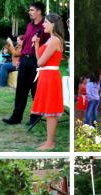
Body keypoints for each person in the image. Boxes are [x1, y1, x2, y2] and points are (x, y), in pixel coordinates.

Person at [3, 2, 47, 126]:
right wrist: (21, 61)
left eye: (32, 10)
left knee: (35, 91)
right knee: (21, 90)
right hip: (25, 61)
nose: (29, 12)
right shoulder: (29, 26)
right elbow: (26, 45)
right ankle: (16, 117)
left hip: (36, 61)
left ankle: (35, 117)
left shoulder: (45, 27)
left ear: (39, 11)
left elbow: (47, 47)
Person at [30, 13, 64, 150]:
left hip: (50, 77)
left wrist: (39, 60)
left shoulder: (55, 40)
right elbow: (40, 59)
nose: (43, 24)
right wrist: (37, 45)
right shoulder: (50, 40)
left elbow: (40, 62)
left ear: (53, 24)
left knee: (51, 111)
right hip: (46, 76)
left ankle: (50, 143)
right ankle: (48, 141)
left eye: (46, 22)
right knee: (48, 110)